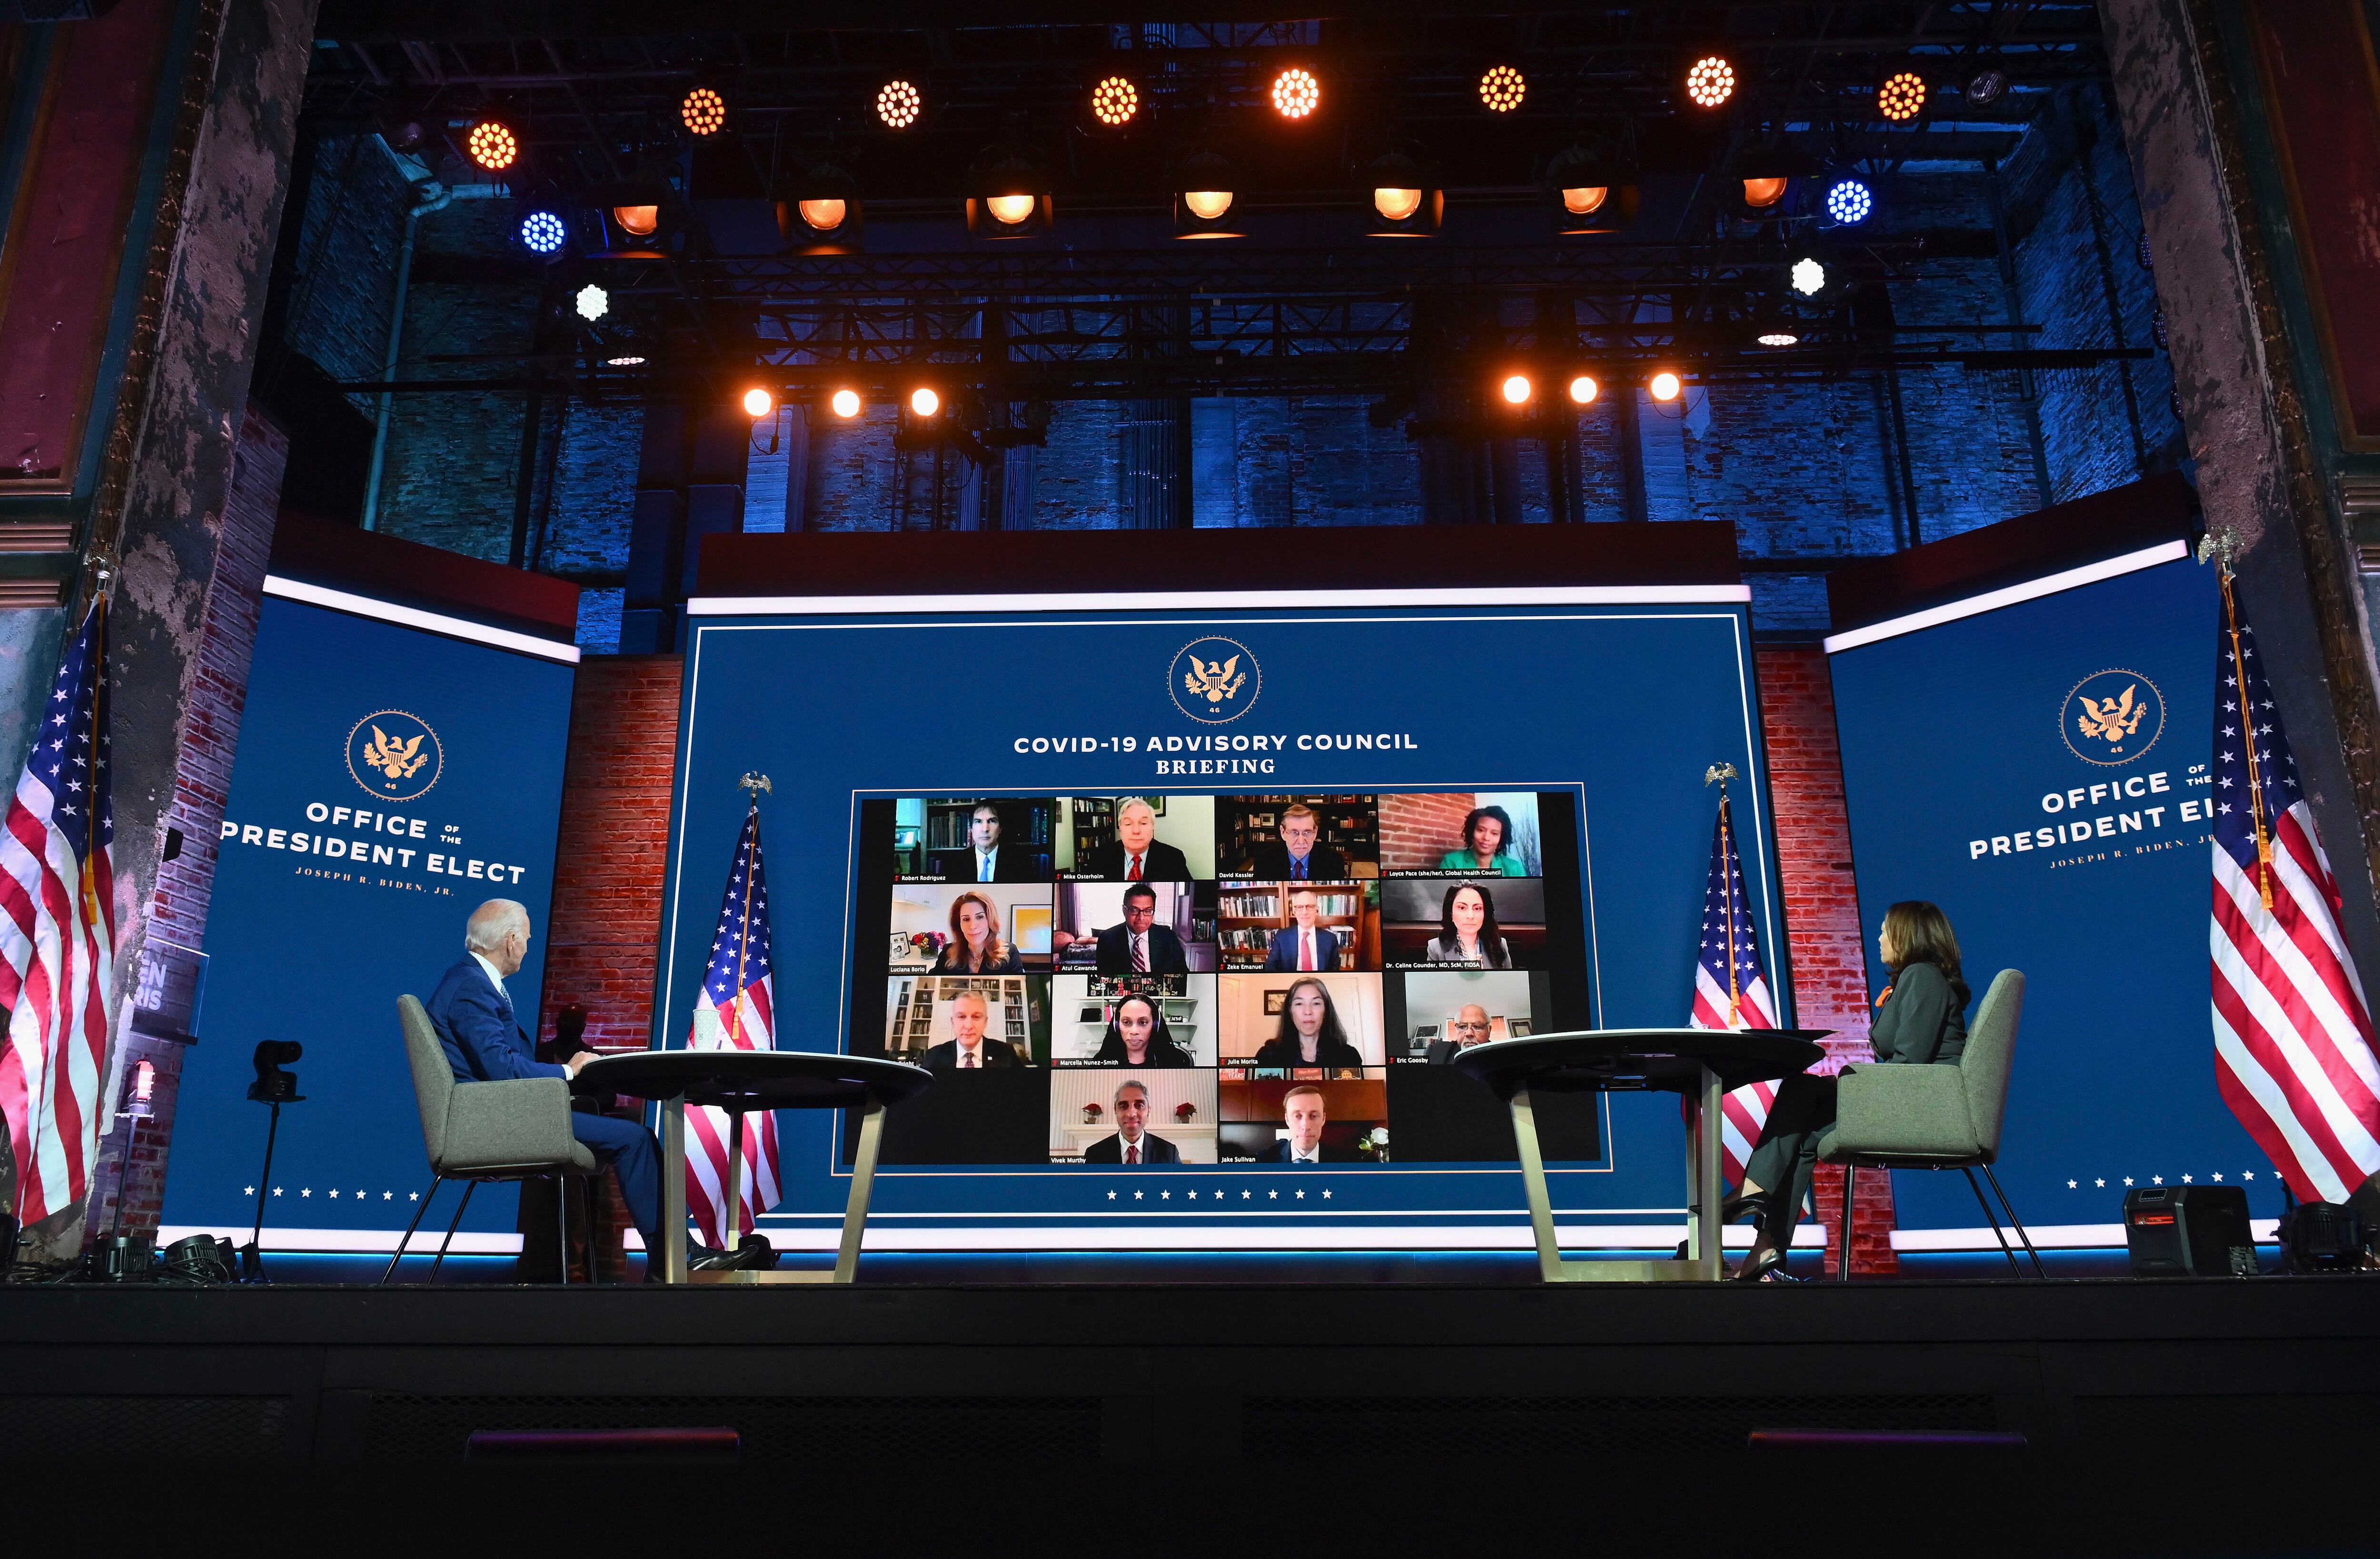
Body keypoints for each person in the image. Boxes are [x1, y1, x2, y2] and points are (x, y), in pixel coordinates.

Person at [424, 899, 676, 1278]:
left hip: (507, 1112)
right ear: (510, 941)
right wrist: (568, 1070)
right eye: (526, 937)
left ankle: (673, 1252)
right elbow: (501, 1068)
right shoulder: (471, 987)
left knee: (634, 1137)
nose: (528, 945)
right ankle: (669, 1259)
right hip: (500, 1120)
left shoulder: (468, 981)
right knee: (636, 1139)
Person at [1731, 901, 1972, 1282]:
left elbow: (1910, 1065)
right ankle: (1765, 1248)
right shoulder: (1918, 980)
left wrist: (1849, 1081)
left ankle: (1755, 1196)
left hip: (1928, 1110)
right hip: (1915, 1100)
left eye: (1885, 930)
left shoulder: (1922, 976)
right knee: (1806, 1123)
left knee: (1803, 1091)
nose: (1879, 938)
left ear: (1908, 935)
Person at [1251, 977, 1366, 1071]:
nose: (1308, 1012)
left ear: (1326, 1010)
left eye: (1316, 1003)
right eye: (1299, 1004)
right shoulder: (1268, 1056)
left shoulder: (1348, 1056)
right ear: (1290, 1012)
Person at [1077, 798, 1191, 881]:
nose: (1136, 831)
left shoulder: (1174, 858)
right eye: (1128, 824)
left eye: (1144, 823)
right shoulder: (1100, 857)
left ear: (1153, 827)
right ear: (1120, 828)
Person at [1093, 882, 1189, 975]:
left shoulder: (1169, 938)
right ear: (1124, 911)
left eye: (1148, 911)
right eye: (1134, 910)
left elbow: (1184, 973)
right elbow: (1103, 976)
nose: (1141, 918)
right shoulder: (1107, 939)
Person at [930, 803, 1041, 882]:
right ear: (971, 829)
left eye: (992, 821)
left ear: (1000, 829)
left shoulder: (1020, 861)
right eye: (978, 822)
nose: (985, 829)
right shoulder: (952, 863)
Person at [1081, 1079, 1183, 1164]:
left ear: (1149, 1110)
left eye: (1139, 1106)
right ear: (1115, 1110)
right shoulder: (1094, 1154)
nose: (1131, 1114)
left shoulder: (1169, 1153)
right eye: (1123, 1106)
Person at [922, 989, 1026, 1070]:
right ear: (952, 1022)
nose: (968, 1026)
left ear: (985, 1022)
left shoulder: (1006, 1053)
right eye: (961, 1017)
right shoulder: (933, 1056)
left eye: (976, 1017)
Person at [1089, 991, 1196, 1067]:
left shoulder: (1175, 1062)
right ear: (1116, 1026)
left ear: (1155, 1026)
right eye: (1126, 1022)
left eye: (1143, 1023)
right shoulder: (1101, 1061)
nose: (1134, 1031)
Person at [1243, 803, 1348, 880]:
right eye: (1294, 833)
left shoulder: (1334, 860)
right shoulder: (1264, 862)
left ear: (1315, 833)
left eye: (1307, 832)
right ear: (1283, 832)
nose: (1301, 841)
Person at [1252, 1084, 1352, 1163]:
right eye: (1297, 1116)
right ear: (1287, 1119)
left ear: (1323, 1119)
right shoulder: (1264, 1160)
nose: (1306, 1126)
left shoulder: (1345, 1162)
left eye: (1313, 1116)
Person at [1422, 882, 1514, 967]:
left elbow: (1509, 982)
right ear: (1451, 914)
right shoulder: (1435, 948)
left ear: (1485, 914)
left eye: (1477, 908)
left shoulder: (1500, 945)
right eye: (1462, 908)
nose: (1470, 916)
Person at [932, 891, 1022, 974]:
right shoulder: (947, 952)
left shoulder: (1011, 953)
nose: (973, 926)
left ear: (990, 920)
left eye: (980, 917)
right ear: (959, 925)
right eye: (966, 919)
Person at [1263, 887, 1343, 972]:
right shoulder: (1281, 937)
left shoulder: (1330, 939)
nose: (1305, 912)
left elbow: (1334, 969)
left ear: (1317, 911)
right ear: (1294, 912)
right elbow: (1270, 967)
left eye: (1309, 907)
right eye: (1300, 907)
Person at [1438, 805, 1530, 876]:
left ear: (1501, 838)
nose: (1486, 838)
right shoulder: (1451, 862)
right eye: (1481, 830)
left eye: (1494, 834)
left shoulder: (1514, 868)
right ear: (1472, 832)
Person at [1424, 1003, 1494, 1064]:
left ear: (1489, 1030)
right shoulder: (1436, 1052)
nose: (1469, 1033)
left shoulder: (1503, 1056)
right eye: (1462, 1027)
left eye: (1477, 1027)